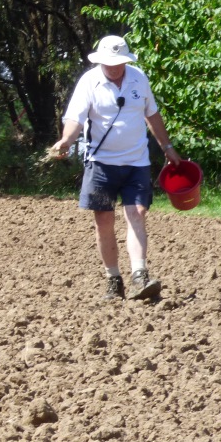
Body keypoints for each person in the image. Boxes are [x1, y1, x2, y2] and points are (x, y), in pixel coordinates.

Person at [48, 34, 181, 301]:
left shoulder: (138, 78)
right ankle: (113, 279)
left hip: (136, 161)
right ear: (101, 61)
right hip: (101, 164)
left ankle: (139, 275)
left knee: (137, 212)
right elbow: (75, 118)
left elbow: (151, 114)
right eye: (110, 63)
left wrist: (167, 147)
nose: (115, 67)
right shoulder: (89, 82)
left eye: (119, 62)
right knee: (104, 221)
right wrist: (65, 140)